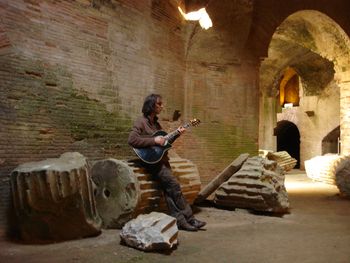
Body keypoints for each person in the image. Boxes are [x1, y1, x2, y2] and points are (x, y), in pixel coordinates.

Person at [128, 93, 206, 231]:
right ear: (151, 105)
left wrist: (177, 134)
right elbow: (132, 140)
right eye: (159, 104)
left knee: (169, 191)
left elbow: (164, 143)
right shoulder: (141, 122)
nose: (162, 106)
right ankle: (191, 219)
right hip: (153, 163)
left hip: (162, 160)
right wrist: (153, 140)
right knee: (174, 186)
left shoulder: (157, 125)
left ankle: (181, 221)